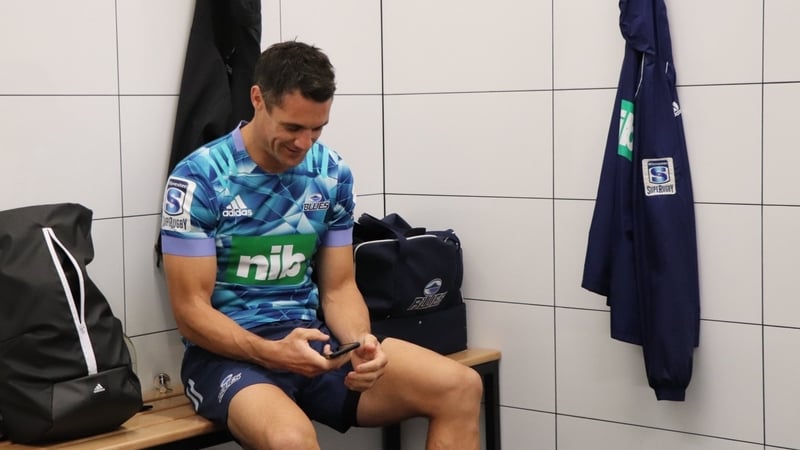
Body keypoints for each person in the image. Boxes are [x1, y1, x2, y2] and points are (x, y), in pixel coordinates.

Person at [159, 40, 483, 450]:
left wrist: (361, 344)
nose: (304, 143)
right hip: (229, 358)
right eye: (293, 127)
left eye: (317, 128)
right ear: (258, 99)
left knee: (460, 385)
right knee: (293, 441)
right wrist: (272, 352)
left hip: (316, 345)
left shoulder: (331, 174)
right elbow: (191, 312)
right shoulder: (201, 179)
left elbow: (339, 287)